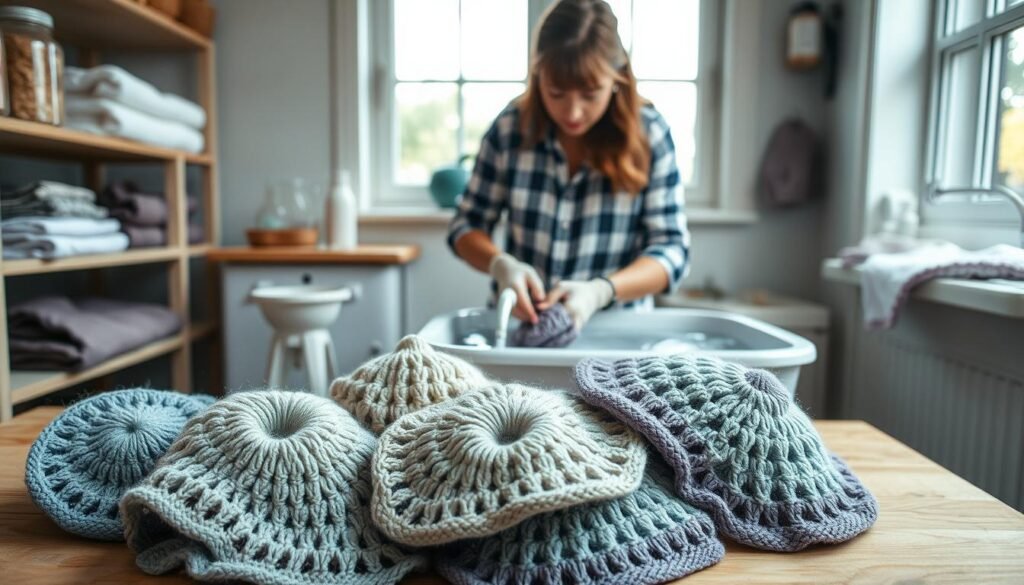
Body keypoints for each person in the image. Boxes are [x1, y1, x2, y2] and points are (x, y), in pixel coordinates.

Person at [447, 0, 690, 331]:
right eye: (556, 92)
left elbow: (672, 251)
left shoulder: (650, 135)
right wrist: (501, 264)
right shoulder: (510, 129)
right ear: (538, 75)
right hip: (523, 330)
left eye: (590, 94)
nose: (573, 112)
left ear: (616, 78)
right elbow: (466, 226)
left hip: (619, 333)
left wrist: (601, 291)